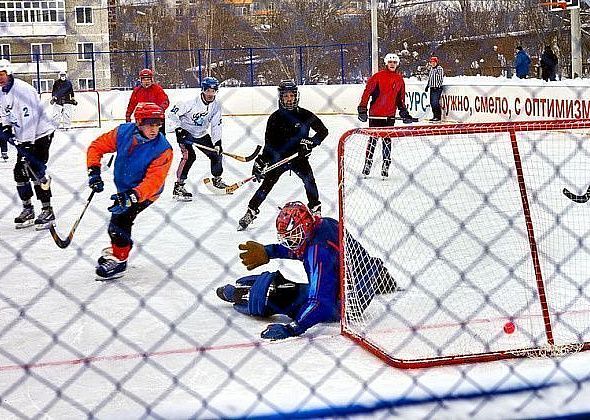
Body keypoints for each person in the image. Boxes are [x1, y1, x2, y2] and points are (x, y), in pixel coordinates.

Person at [217, 201, 397, 340]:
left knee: (280, 294)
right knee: (288, 288)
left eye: (293, 236)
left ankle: (239, 295)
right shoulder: (322, 225)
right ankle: (375, 277)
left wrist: (292, 328)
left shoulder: (319, 252)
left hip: (346, 302)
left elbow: (321, 303)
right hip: (353, 280)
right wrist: (269, 251)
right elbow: (300, 251)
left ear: (305, 227)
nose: (289, 243)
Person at [87, 102, 172, 280]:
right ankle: (120, 247)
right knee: (118, 222)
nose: (154, 129)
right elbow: (96, 147)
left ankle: (120, 260)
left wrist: (133, 196)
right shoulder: (123, 132)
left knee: (119, 223)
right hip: (125, 186)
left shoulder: (163, 149)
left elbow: (154, 181)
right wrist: (94, 172)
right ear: (139, 122)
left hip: (146, 193)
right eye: (150, 124)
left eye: (158, 124)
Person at [237, 80, 328, 231]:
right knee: (266, 185)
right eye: (286, 96)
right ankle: (251, 211)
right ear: (281, 97)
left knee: (309, 181)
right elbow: (269, 144)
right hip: (278, 158)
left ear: (296, 96)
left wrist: (311, 143)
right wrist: (261, 160)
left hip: (299, 158)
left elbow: (323, 131)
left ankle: (315, 209)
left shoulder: (305, 115)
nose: (289, 99)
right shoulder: (274, 118)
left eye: (292, 95)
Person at [0, 59, 56, 229]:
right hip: (23, 138)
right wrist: (6, 127)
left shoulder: (23, 90)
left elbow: (30, 119)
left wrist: (27, 144)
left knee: (35, 170)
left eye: (1, 74)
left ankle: (48, 210)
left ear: (9, 73)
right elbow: (4, 113)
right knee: (19, 172)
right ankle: (28, 209)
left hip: (39, 135)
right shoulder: (2, 92)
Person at [168, 76, 228, 200]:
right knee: (189, 156)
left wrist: (217, 142)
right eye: (208, 91)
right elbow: (172, 114)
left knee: (216, 154)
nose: (211, 94)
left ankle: (217, 180)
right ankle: (179, 186)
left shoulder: (216, 106)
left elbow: (216, 125)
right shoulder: (190, 104)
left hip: (201, 134)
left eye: (214, 91)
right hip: (185, 133)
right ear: (203, 90)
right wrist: (179, 129)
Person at [357, 53, 416, 179]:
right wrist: (362, 108)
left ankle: (386, 163)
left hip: (390, 116)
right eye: (390, 62)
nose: (392, 64)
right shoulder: (378, 77)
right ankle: (368, 163)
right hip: (375, 115)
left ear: (397, 64)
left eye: (394, 62)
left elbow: (400, 100)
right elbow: (367, 92)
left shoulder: (399, 79)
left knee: (387, 140)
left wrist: (404, 113)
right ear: (386, 63)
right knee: (373, 139)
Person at [125, 69, 169, 135]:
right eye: (144, 80)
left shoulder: (157, 89)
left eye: (148, 79)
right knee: (141, 137)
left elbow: (165, 101)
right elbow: (131, 104)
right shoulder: (137, 91)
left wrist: (159, 110)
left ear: (151, 80)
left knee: (159, 138)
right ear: (141, 80)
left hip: (156, 118)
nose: (146, 82)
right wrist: (128, 116)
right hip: (142, 119)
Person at [425, 56, 444, 122]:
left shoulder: (439, 68)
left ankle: (438, 116)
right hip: (432, 88)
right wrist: (428, 85)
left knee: (435, 102)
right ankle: (434, 116)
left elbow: (440, 78)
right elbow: (430, 78)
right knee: (432, 103)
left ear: (436, 62)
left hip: (437, 88)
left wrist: (437, 86)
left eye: (434, 62)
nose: (432, 63)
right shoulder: (431, 69)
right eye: (431, 62)